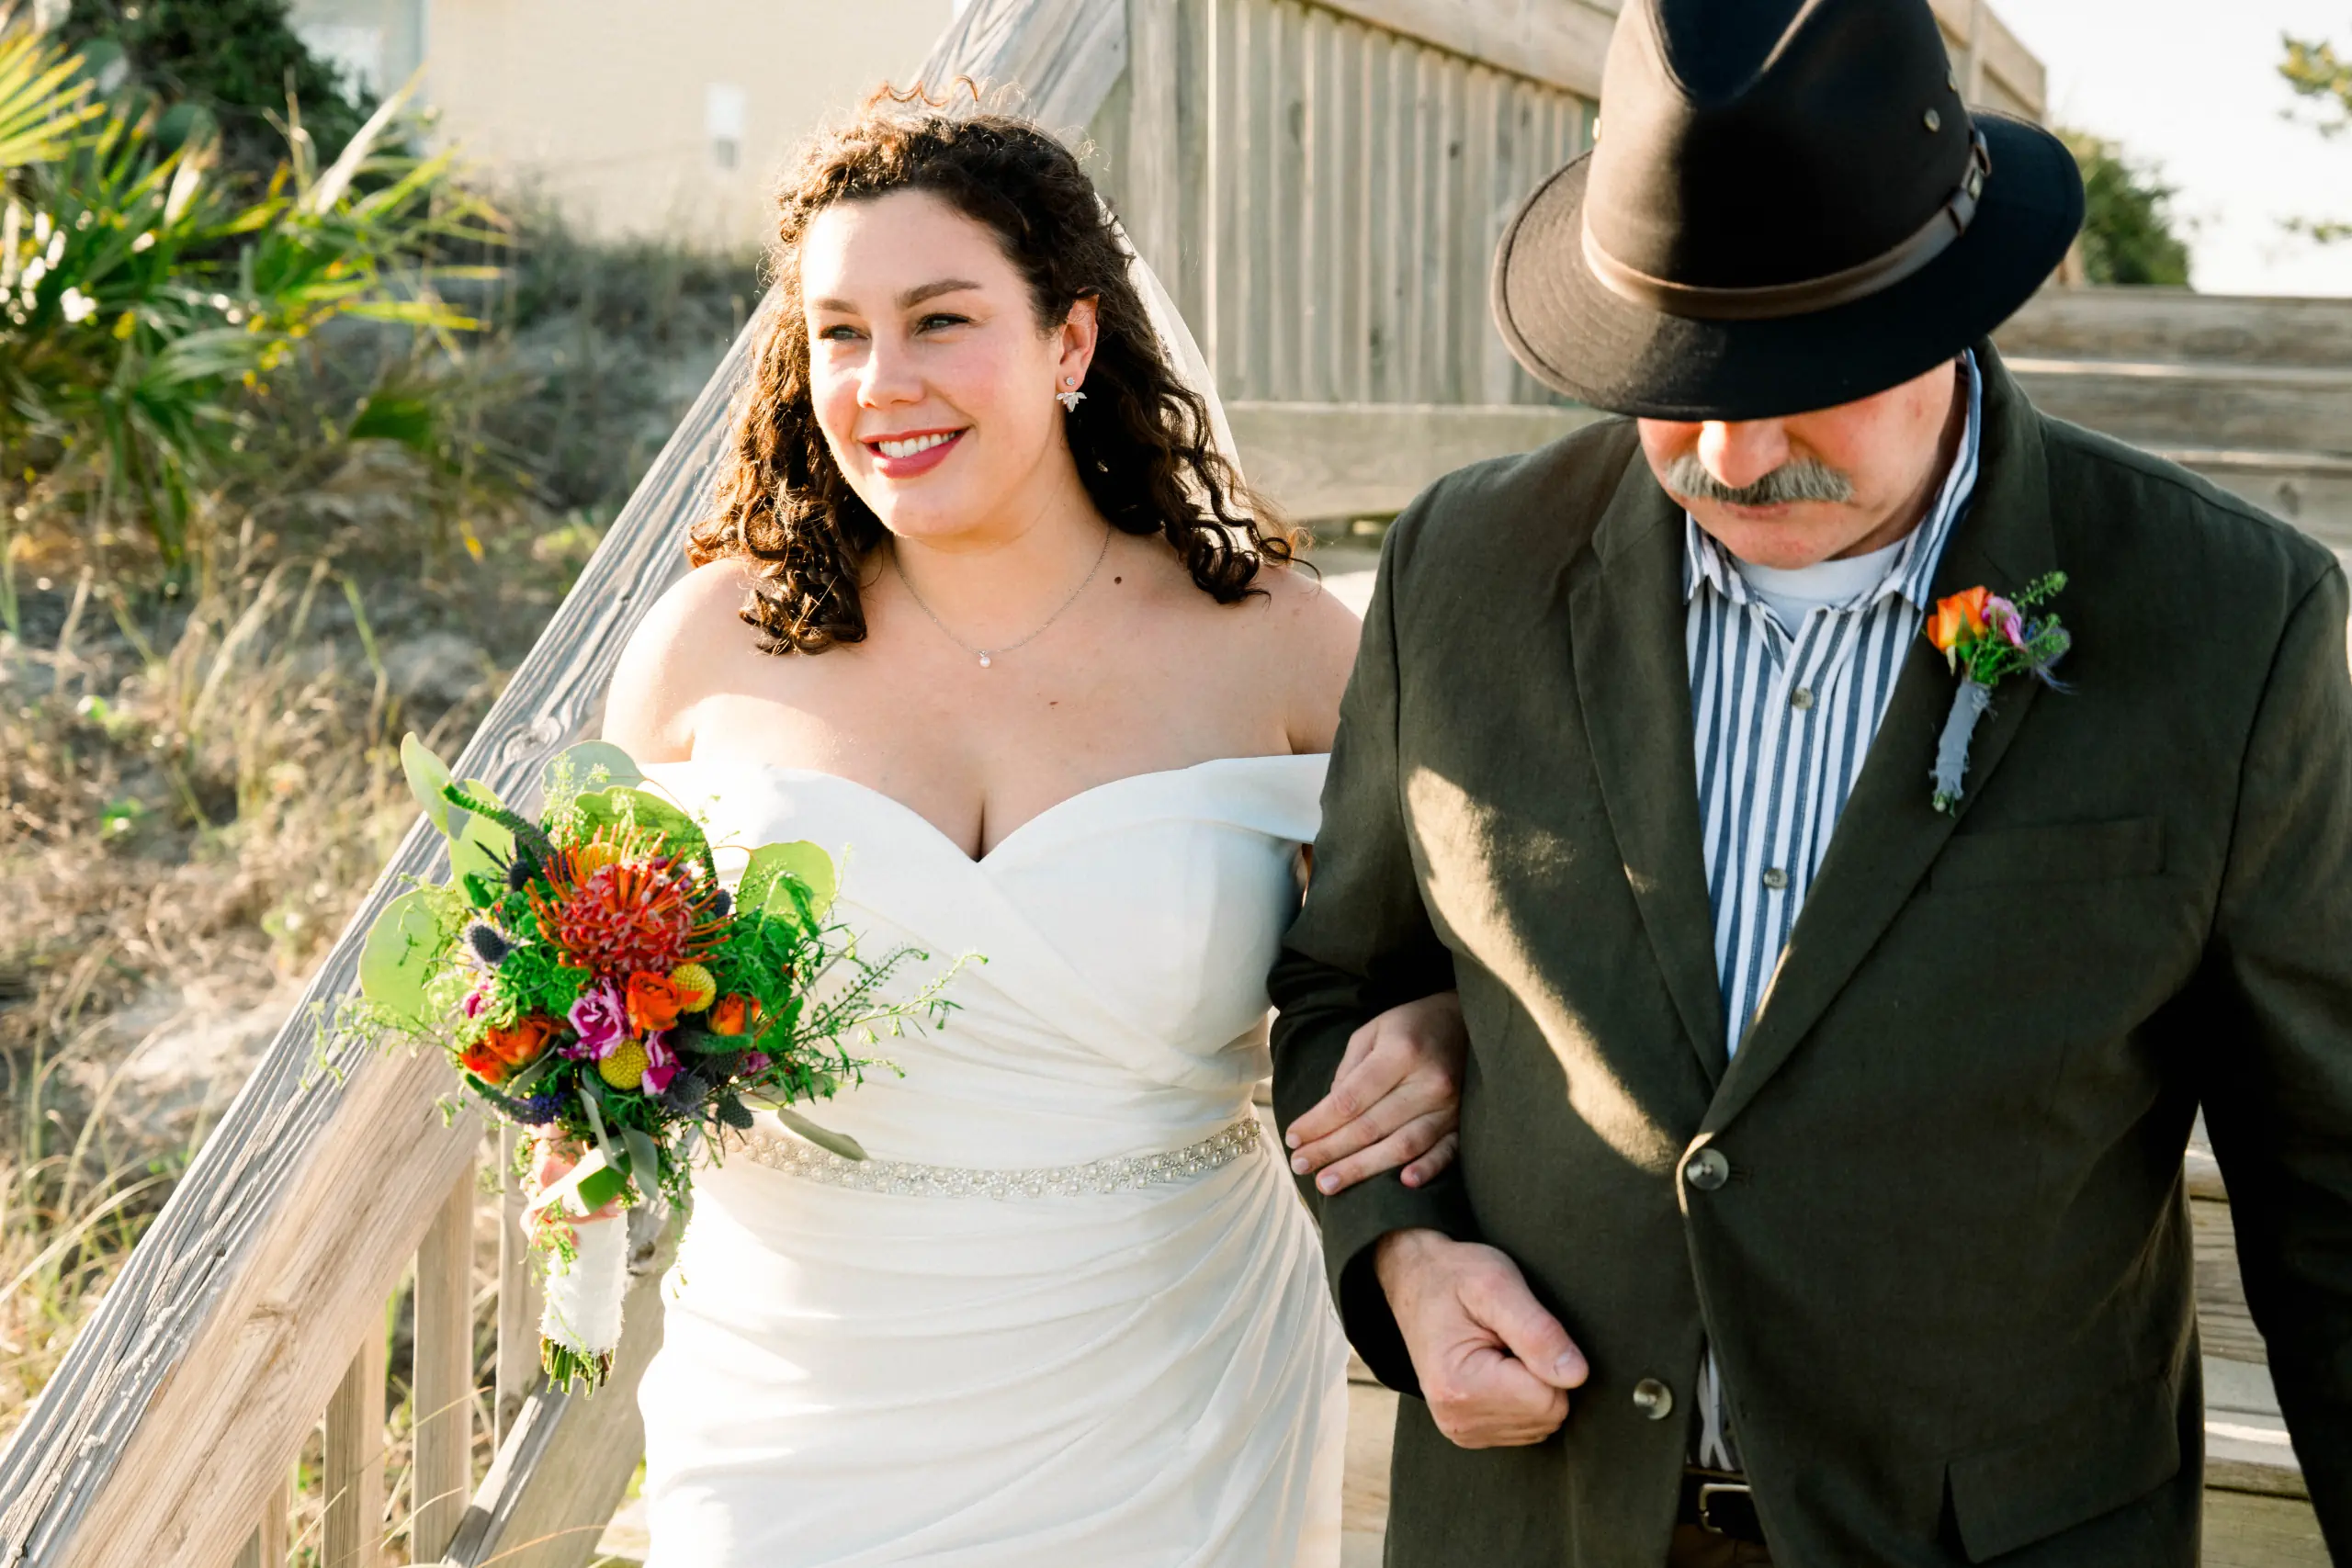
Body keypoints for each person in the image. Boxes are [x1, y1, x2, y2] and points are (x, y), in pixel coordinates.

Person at [1270, 1, 2352, 1564]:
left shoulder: (2233, 619)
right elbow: (1339, 985)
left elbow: (2329, 1182)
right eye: (1680, 371)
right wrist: (1402, 1263)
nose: (1732, 444)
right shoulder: (1461, 567)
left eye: (1809, 369)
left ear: (1952, 300)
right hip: (1540, 1525)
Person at [571, 98, 1465, 1567]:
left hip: (1168, 1402)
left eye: (941, 319)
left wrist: (1443, 1024)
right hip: (795, 1401)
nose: (882, 382)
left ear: (1072, 342)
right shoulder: (707, 650)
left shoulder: (1284, 654)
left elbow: (1446, 951)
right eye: (840, 332)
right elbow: (601, 974)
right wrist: (579, 1087)